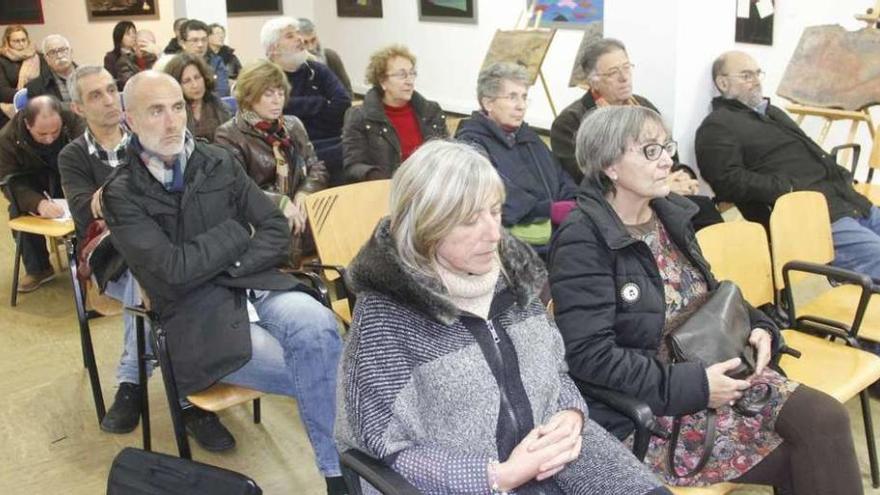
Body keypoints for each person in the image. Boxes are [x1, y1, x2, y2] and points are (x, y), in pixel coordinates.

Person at [548, 105, 863, 493]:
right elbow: (588, 356)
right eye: (650, 151)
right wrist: (696, 385)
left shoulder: (669, 213)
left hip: (716, 367)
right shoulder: (584, 238)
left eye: (666, 147)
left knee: (826, 418)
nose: (668, 160)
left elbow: (709, 293)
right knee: (801, 457)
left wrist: (760, 327)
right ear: (610, 165)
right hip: (658, 404)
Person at [336, 139, 671, 495]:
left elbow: (555, 371)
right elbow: (384, 446)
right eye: (469, 221)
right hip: (467, 481)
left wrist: (571, 414)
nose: (494, 234)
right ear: (423, 225)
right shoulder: (386, 317)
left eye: (495, 212)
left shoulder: (517, 281)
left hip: (554, 454)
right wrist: (498, 476)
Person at [101, 71, 345, 494]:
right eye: (156, 111)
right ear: (129, 119)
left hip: (255, 284)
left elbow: (272, 227)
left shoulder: (216, 160)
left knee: (319, 327)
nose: (173, 121)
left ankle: (338, 476)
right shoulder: (121, 193)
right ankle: (342, 478)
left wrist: (230, 261)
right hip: (198, 314)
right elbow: (173, 271)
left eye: (177, 107)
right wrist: (236, 233)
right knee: (323, 368)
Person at [58, 66, 234, 448]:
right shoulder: (73, 156)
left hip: (169, 246)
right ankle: (186, 395)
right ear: (77, 107)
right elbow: (85, 210)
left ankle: (134, 382)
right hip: (111, 256)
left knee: (171, 268)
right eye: (95, 96)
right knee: (150, 272)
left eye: (111, 90)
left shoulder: (152, 134)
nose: (109, 100)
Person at [696, 50, 879, 280]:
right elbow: (726, 181)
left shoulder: (772, 113)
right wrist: (787, 187)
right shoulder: (718, 125)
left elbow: (812, 150)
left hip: (850, 202)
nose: (756, 81)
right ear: (722, 83)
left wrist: (841, 175)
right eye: (746, 75)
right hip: (817, 218)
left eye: (757, 74)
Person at [551, 38, 721, 231]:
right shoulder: (571, 122)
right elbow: (591, 178)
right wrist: (662, 186)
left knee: (705, 211)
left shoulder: (643, 107)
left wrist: (683, 176)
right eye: (614, 73)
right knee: (695, 216)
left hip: (659, 190)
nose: (624, 77)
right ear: (593, 81)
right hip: (618, 204)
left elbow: (670, 155)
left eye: (626, 68)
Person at [456, 62, 577, 257]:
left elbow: (560, 174)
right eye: (512, 97)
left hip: (555, 237)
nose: (521, 106)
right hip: (508, 247)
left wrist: (572, 200)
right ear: (488, 103)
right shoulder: (470, 144)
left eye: (524, 97)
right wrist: (548, 209)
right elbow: (491, 193)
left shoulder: (529, 137)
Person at [215, 59, 327, 266]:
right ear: (250, 97)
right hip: (260, 220)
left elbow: (316, 167)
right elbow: (236, 188)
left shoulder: (293, 125)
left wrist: (306, 191)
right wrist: (280, 202)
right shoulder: (229, 134)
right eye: (268, 94)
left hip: (301, 212)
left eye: (280, 93)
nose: (277, 101)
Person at [0, 96, 84, 292]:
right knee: (17, 211)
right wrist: (38, 204)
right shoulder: (7, 139)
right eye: (42, 133)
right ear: (27, 124)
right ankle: (39, 269)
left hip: (70, 176)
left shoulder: (73, 119)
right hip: (33, 184)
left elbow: (88, 153)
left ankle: (91, 262)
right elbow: (9, 182)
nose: (49, 138)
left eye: (55, 131)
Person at [262, 17, 350, 185]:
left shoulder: (317, 70)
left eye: (298, 34)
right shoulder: (264, 77)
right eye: (290, 36)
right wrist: (321, 103)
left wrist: (297, 108)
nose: (299, 39)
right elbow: (276, 115)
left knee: (355, 153)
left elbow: (343, 102)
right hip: (291, 150)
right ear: (273, 49)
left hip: (334, 143)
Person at [342, 44, 447, 183]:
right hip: (385, 191)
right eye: (402, 75)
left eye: (412, 73)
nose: (409, 81)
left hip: (431, 187)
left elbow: (448, 153)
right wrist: (376, 176)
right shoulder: (360, 117)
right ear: (382, 81)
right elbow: (353, 166)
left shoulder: (431, 111)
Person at [163, 53, 232, 141]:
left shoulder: (219, 106)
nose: (195, 85)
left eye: (197, 77)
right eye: (187, 81)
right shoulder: (172, 114)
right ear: (176, 85)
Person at [297, 18, 352, 95]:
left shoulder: (331, 56)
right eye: (305, 42)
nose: (311, 48)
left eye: (313, 40)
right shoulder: (291, 66)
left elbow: (347, 90)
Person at [0, 25, 41, 126]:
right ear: (7, 42)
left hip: (40, 104)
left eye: (23, 40)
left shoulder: (38, 57)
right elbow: (2, 91)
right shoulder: (2, 60)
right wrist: (27, 96)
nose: (21, 44)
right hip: (8, 108)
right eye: (16, 41)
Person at [179, 19, 230, 97]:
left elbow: (222, 91)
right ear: (183, 43)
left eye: (204, 40)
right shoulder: (176, 65)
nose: (200, 45)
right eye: (194, 40)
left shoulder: (216, 62)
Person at [26, 35, 77, 105]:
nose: (59, 56)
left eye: (62, 50)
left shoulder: (90, 76)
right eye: (52, 52)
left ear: (71, 51)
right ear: (46, 59)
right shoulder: (35, 88)